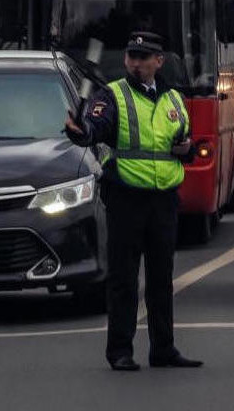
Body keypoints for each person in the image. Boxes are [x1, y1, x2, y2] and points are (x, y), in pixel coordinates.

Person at [64, 30, 203, 372]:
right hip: (126, 196)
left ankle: (163, 349)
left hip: (163, 199)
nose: (137, 63)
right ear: (126, 60)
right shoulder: (113, 95)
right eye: (132, 57)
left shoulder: (173, 100)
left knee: (161, 278)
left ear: (159, 61)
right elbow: (95, 126)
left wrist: (184, 150)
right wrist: (82, 133)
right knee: (124, 278)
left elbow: (179, 143)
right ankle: (120, 351)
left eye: (144, 58)